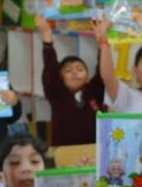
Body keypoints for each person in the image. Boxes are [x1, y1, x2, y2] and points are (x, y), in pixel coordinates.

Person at [35, 14, 104, 145]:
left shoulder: (94, 91)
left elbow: (103, 70)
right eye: (68, 70)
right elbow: (50, 67)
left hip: (94, 150)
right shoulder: (57, 95)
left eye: (80, 69)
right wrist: (46, 35)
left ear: (87, 77)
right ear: (60, 78)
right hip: (64, 152)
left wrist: (102, 42)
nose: (74, 73)